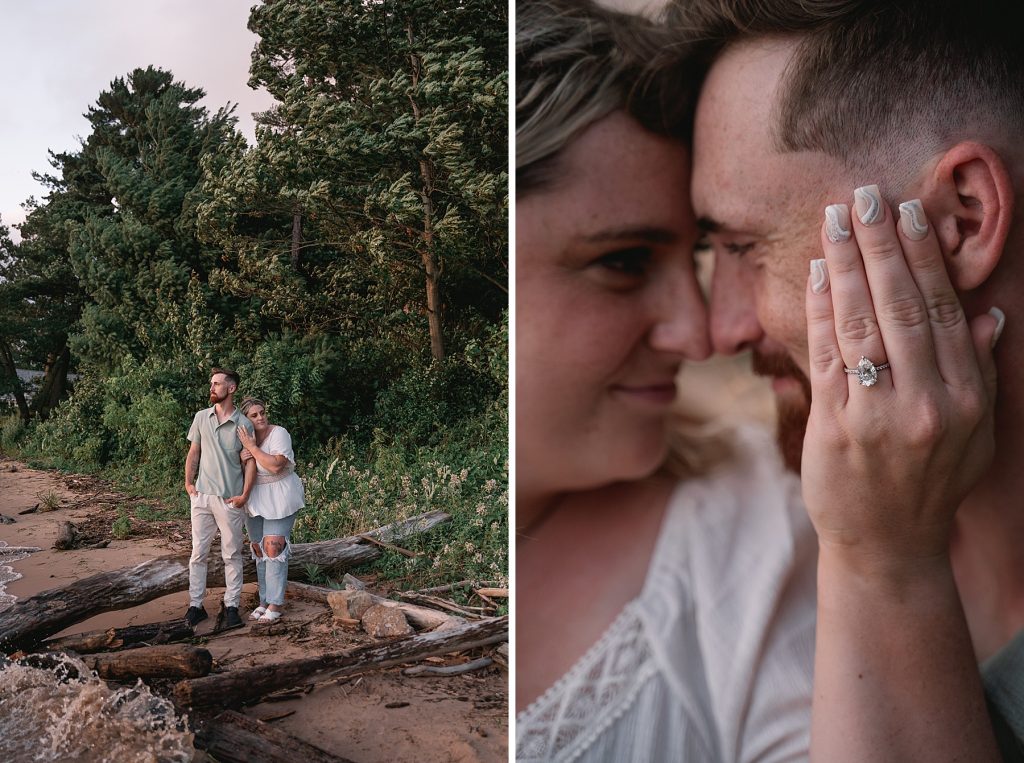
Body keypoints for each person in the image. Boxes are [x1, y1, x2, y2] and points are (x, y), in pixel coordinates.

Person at [668, 0, 1018, 758]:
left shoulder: (869, 545)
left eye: (743, 246)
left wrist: (885, 564)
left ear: (961, 216)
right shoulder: (764, 537)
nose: (718, 329)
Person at [184, 368, 255, 630]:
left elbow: (250, 464)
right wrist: (189, 484)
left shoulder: (244, 425)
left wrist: (244, 495)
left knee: (231, 554)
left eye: (217, 384)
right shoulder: (201, 417)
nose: (212, 387)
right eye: (211, 383)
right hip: (202, 498)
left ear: (231, 388)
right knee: (198, 554)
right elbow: (194, 452)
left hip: (229, 500)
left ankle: (232, 607)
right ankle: (195, 606)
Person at [234, 397, 304, 623]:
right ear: (246, 420)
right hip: (254, 497)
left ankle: (276, 603)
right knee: (258, 550)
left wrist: (252, 448)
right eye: (254, 415)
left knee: (273, 549)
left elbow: (275, 466)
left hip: (280, 495)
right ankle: (263, 601)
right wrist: (240, 456)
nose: (261, 417)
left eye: (262, 412)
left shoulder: (279, 433)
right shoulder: (242, 438)